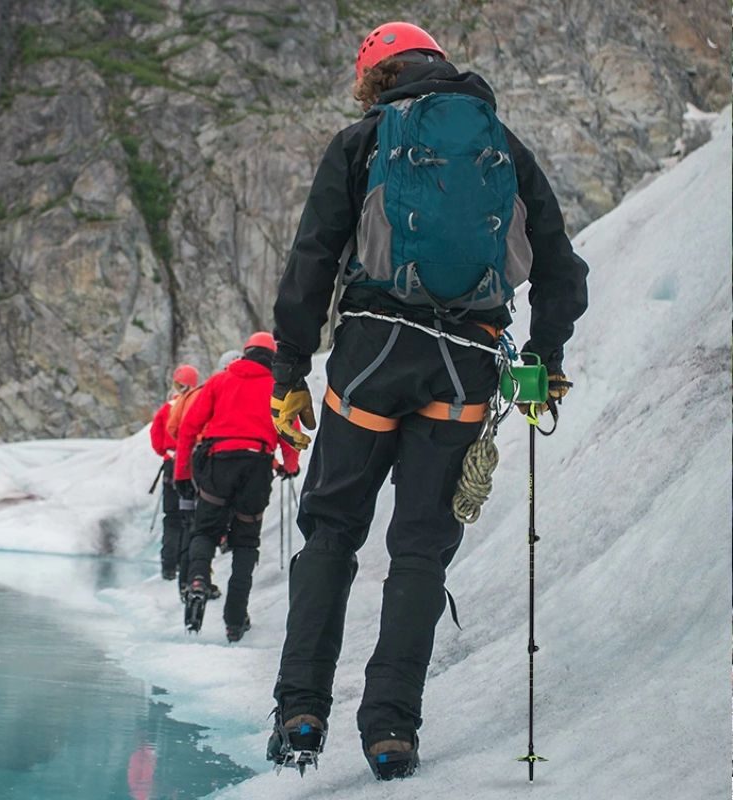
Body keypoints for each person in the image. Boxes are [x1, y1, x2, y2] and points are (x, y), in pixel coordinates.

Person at [266, 21, 588, 780]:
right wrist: (545, 359)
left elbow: (312, 260)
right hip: (467, 364)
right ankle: (391, 732)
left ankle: (301, 712)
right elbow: (561, 269)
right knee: (419, 552)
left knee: (333, 532)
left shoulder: (361, 142)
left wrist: (287, 373)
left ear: (378, 77)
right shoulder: (500, 146)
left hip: (372, 353)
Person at [174, 332, 300, 642]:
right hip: (257, 467)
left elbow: (190, 426)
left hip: (219, 463)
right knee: (245, 544)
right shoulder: (279, 388)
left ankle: (199, 581)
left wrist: (182, 473)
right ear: (272, 357)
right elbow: (290, 433)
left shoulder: (220, 381)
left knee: (204, 531)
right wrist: (290, 466)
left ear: (245, 353)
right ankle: (234, 620)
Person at [149, 364, 200, 582]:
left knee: (171, 518)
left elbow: (155, 436)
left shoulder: (167, 408)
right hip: (191, 465)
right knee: (189, 517)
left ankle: (168, 567)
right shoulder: (197, 403)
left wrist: (165, 453)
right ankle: (184, 563)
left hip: (171, 463)